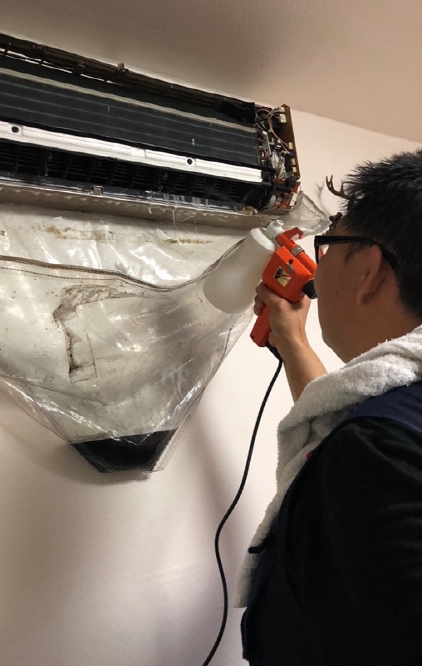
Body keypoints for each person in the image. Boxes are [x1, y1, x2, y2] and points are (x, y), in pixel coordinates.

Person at [239, 149, 422, 665]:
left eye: (329, 245)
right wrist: (291, 339)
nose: (316, 271)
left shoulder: (373, 457)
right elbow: (344, 413)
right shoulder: (390, 421)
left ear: (369, 270)